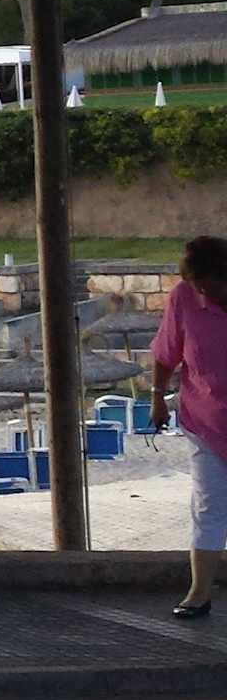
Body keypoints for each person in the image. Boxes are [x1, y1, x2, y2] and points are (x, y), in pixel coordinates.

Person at [149, 235, 227, 618]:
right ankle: (199, 592)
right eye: (197, 285)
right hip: (205, 420)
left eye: (208, 285)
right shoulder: (183, 297)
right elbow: (166, 352)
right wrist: (157, 396)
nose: (202, 293)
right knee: (209, 505)